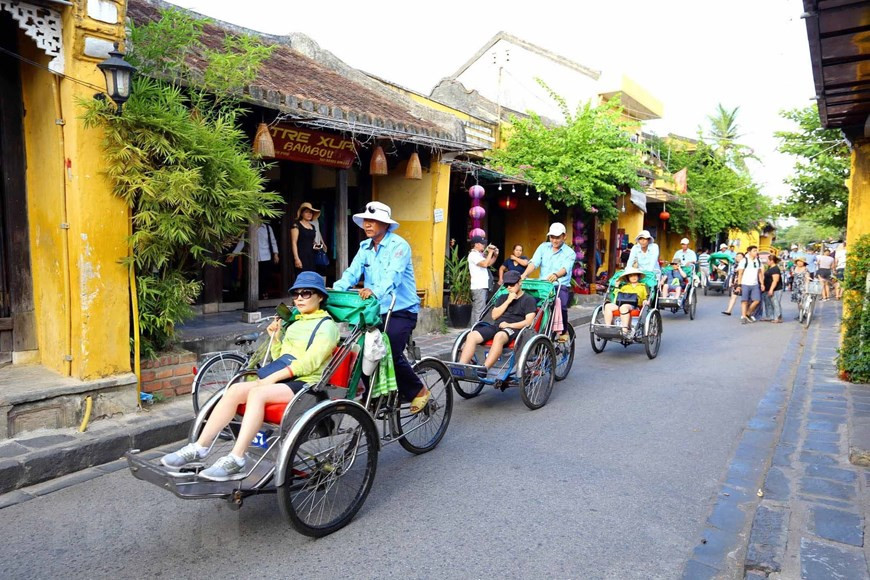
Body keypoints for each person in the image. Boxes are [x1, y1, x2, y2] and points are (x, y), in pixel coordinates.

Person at [161, 272, 339, 480]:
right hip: (284, 377)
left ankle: (237, 459)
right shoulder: (295, 323)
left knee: (257, 394)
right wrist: (276, 337)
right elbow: (281, 357)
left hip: (306, 384)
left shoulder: (327, 326)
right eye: (296, 294)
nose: (299, 298)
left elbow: (311, 362)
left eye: (306, 293)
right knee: (234, 389)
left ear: (320, 296)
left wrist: (275, 377)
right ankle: (199, 447)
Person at [333, 202, 430, 414]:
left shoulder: (399, 246)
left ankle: (419, 390)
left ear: (385, 224)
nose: (367, 224)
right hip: (374, 310)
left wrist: (375, 291)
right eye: (365, 221)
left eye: (373, 221)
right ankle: (374, 395)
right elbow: (352, 273)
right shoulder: (364, 247)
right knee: (360, 351)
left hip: (401, 310)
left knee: (389, 351)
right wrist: (335, 291)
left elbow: (393, 276)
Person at [458, 270, 537, 371]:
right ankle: (460, 366)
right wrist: (508, 301)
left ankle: (484, 369)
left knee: (499, 336)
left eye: (512, 284)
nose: (509, 287)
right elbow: (494, 316)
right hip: (497, 326)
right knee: (472, 335)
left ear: (519, 282)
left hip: (515, 329)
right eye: (506, 285)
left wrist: (509, 325)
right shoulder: (503, 297)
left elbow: (529, 322)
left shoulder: (529, 300)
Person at [521, 222, 577, 340]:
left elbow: (565, 268)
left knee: (561, 305)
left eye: (557, 237)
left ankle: (563, 331)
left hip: (559, 285)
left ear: (564, 236)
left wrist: (556, 275)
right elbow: (534, 263)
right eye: (552, 237)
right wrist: (524, 274)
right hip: (543, 286)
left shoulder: (570, 253)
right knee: (526, 301)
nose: (554, 240)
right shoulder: (543, 247)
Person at [228, 222, 280, 299]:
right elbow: (242, 242)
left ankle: (263, 293)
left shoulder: (268, 228)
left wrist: (276, 254)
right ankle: (254, 295)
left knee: (265, 277)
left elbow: (273, 241)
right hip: (253, 257)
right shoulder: (248, 228)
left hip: (266, 256)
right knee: (253, 278)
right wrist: (233, 254)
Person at [603, 267, 648, 337]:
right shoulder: (624, 287)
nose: (633, 277)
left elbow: (645, 297)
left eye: (635, 275)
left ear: (638, 276)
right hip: (621, 303)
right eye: (631, 276)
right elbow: (617, 297)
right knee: (607, 306)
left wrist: (645, 300)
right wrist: (616, 287)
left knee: (624, 307)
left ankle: (625, 330)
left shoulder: (643, 286)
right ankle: (608, 328)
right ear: (628, 278)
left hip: (634, 305)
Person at [468, 235, 499, 324]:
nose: (484, 245)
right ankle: (475, 328)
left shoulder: (478, 254)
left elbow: (488, 264)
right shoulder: (473, 255)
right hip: (478, 286)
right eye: (482, 244)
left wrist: (495, 256)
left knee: (480, 309)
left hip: (482, 286)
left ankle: (475, 327)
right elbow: (485, 264)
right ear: (476, 244)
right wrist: (490, 252)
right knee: (479, 310)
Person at [291, 202, 326, 272]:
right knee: (302, 276)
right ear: (301, 214)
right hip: (301, 256)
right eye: (306, 212)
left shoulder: (312, 226)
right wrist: (296, 258)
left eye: (310, 212)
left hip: (312, 256)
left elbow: (312, 242)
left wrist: (318, 246)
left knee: (311, 275)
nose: (309, 214)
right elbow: (294, 243)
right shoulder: (296, 225)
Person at [737, 245, 765, 324]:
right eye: (754, 251)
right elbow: (740, 274)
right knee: (744, 301)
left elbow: (759, 273)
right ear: (749, 252)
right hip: (745, 283)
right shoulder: (744, 261)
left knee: (757, 300)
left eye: (756, 250)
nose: (756, 252)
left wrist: (762, 284)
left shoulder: (758, 261)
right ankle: (743, 316)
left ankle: (748, 313)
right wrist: (739, 285)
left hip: (755, 284)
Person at [761, 254, 783, 323]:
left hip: (775, 289)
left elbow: (775, 280)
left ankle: (778, 317)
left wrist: (771, 289)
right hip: (767, 288)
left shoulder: (775, 269)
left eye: (767, 260)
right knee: (768, 303)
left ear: (772, 261)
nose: (766, 261)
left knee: (775, 303)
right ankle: (769, 316)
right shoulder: (769, 268)